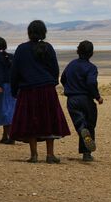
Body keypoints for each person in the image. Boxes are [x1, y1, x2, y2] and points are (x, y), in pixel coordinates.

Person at [10, 20, 70, 164]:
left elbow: (15, 71)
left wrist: (14, 90)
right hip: (47, 89)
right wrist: (52, 83)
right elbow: (55, 69)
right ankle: (50, 155)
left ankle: (34, 155)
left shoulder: (21, 49)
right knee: (49, 119)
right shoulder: (48, 47)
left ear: (29, 32)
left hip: (28, 90)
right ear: (44, 32)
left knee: (31, 120)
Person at [60, 40, 103, 162]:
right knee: (90, 125)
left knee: (80, 123)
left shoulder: (71, 64)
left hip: (72, 99)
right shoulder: (91, 68)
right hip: (86, 99)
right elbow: (91, 83)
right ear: (92, 53)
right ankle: (87, 154)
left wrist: (70, 87)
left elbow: (63, 78)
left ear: (78, 51)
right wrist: (97, 96)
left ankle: (81, 130)